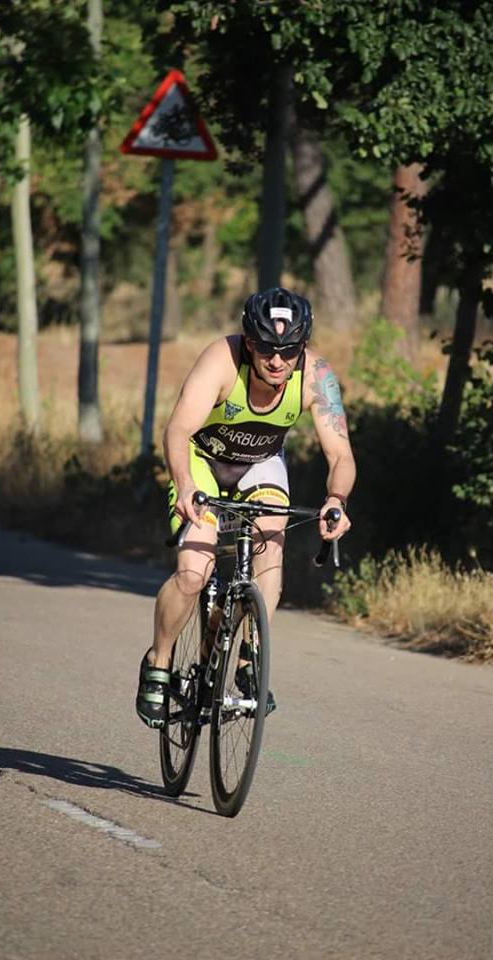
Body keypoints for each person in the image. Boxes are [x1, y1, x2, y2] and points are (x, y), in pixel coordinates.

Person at [136, 286, 356, 728]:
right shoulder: (221, 360)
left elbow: (341, 456)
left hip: (260, 463)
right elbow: (178, 430)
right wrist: (184, 485)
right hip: (202, 460)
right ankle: (158, 661)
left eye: (289, 350)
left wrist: (336, 500)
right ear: (249, 342)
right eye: (266, 348)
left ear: (302, 346)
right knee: (193, 573)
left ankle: (248, 658)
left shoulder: (316, 375)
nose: (277, 360)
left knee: (270, 549)